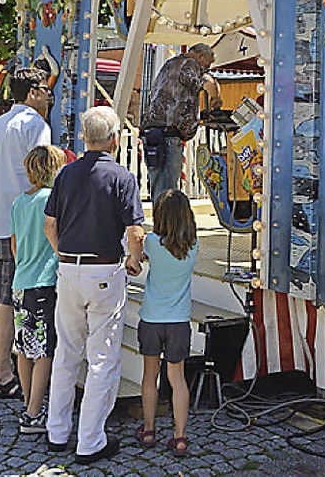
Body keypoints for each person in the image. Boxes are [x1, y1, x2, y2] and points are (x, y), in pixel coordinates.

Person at [44, 105, 144, 463]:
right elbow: (135, 231)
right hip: (103, 271)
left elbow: (49, 227)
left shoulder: (66, 174)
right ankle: (90, 440)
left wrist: (65, 257)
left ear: (84, 137)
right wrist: (134, 258)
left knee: (67, 353)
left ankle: (57, 431)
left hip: (69, 269)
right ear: (115, 140)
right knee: (101, 358)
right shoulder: (121, 177)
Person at [0, 66, 51, 399]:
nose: (49, 94)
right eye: (45, 89)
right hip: (20, 221)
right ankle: (3, 372)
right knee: (9, 297)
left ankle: (1, 363)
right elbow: (42, 170)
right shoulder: (34, 124)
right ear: (33, 92)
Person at [133, 189, 198, 458]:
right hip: (178, 320)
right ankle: (180, 436)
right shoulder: (193, 244)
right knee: (177, 378)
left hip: (151, 318)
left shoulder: (151, 242)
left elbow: (140, 252)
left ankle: (149, 430)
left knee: (150, 376)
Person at [10, 145, 66, 433]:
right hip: (44, 283)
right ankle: (35, 411)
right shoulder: (51, 201)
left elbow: (14, 244)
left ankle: (28, 403)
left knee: (23, 349)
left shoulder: (19, 201)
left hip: (20, 282)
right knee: (44, 350)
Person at [141, 43, 221, 202]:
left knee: (157, 184)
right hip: (169, 133)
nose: (205, 70)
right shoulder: (189, 64)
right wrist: (216, 98)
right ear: (200, 57)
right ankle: (168, 222)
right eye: (205, 66)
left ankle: (160, 220)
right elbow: (207, 84)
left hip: (151, 131)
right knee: (169, 187)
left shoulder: (171, 63)